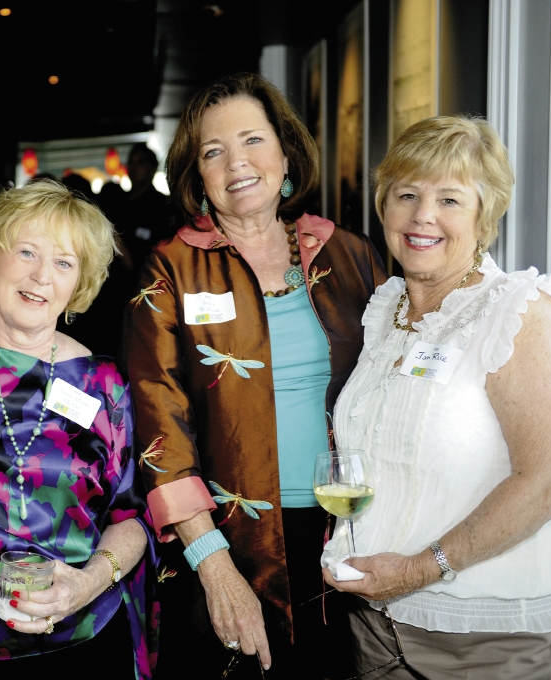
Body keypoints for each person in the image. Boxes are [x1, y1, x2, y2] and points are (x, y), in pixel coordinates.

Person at [124, 72, 386, 679]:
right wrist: (213, 564)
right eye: (213, 152)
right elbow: (157, 424)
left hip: (348, 531)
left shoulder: (349, 255)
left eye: (252, 141)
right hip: (224, 541)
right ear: (197, 174)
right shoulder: (171, 270)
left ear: (286, 151)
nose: (236, 163)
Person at [323, 116, 551, 678]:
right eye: (407, 195)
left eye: (449, 198)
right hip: (377, 623)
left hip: (487, 636)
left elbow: (549, 482)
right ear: (383, 208)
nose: (422, 215)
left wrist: (422, 568)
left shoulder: (522, 313)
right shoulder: (387, 309)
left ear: (485, 214)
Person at [0, 180, 157, 679]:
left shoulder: (104, 385)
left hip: (74, 643)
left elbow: (131, 517)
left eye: (64, 262)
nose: (42, 276)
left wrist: (85, 585)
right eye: (27, 252)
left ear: (79, 282)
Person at [114, 143, 173, 273]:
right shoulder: (118, 202)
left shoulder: (162, 205)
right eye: (131, 162)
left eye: (140, 162)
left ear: (153, 167)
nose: (134, 167)